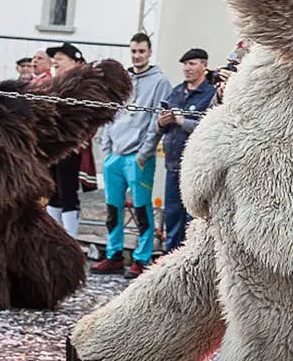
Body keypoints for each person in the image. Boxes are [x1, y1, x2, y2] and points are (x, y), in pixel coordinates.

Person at [91, 33, 173, 279]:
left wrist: (144, 152)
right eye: (133, 51)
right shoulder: (122, 80)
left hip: (139, 156)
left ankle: (141, 258)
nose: (137, 56)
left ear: (149, 52)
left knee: (141, 209)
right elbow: (110, 114)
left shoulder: (160, 82)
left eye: (141, 51)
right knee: (112, 208)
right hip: (115, 154)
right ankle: (114, 255)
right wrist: (106, 150)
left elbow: (157, 121)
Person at [157, 48, 216, 252]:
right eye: (185, 64)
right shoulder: (177, 91)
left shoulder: (210, 94)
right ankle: (169, 254)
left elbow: (208, 125)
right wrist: (161, 122)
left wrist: (182, 121)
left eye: (192, 64)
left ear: (204, 66)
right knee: (172, 214)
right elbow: (161, 122)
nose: (187, 68)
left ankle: (192, 254)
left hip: (195, 166)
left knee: (194, 215)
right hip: (173, 163)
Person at [45, 42, 87, 238]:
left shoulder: (82, 86)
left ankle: (70, 236)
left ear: (74, 61)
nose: (55, 62)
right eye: (54, 59)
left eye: (60, 59)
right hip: (54, 143)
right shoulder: (54, 84)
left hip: (72, 144)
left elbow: (91, 115)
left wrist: (81, 137)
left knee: (67, 191)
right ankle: (54, 235)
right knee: (53, 190)